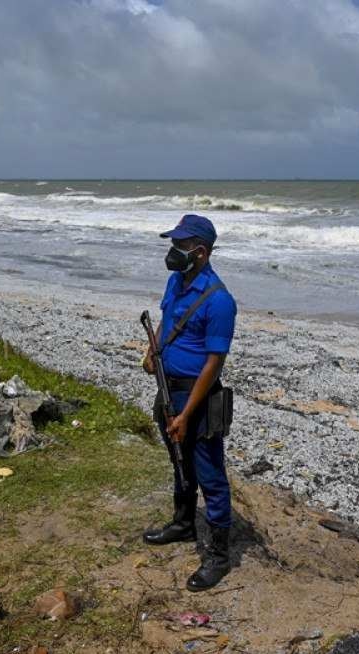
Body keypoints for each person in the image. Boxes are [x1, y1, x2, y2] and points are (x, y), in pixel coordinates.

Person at [141, 214, 237, 592]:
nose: (172, 251)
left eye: (180, 245)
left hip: (198, 397)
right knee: (179, 462)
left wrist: (186, 414)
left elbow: (213, 365)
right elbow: (167, 320)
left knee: (210, 473)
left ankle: (218, 555)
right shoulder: (175, 281)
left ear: (199, 252)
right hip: (170, 390)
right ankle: (183, 524)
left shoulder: (220, 302)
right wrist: (154, 349)